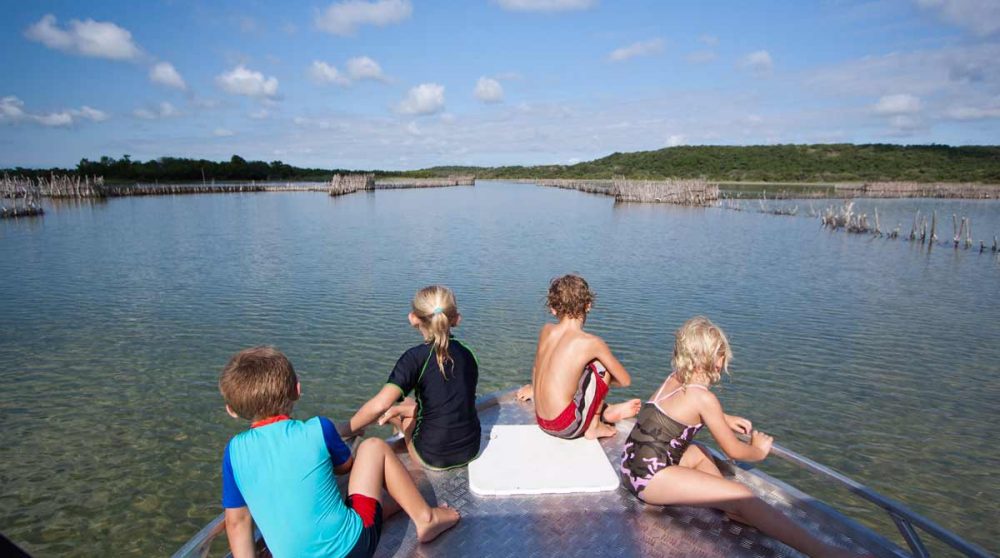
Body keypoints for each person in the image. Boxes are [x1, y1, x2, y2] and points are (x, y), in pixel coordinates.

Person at [619, 317, 856, 558]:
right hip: (649, 480)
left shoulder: (674, 379)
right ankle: (826, 552)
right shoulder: (703, 398)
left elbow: (676, 413)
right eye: (722, 355)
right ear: (716, 358)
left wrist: (723, 418)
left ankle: (726, 503)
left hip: (630, 467)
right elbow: (734, 451)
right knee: (745, 495)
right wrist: (758, 450)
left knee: (701, 451)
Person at [219, 346, 459, 558]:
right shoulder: (317, 429)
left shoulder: (233, 452)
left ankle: (394, 507)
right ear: (297, 390)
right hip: (353, 548)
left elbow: (237, 523)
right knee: (373, 448)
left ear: (232, 410)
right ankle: (426, 518)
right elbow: (346, 467)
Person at [346, 285, 481, 470]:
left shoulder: (414, 358)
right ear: (456, 319)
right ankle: (398, 415)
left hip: (432, 456)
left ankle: (398, 427)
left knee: (399, 411)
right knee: (405, 405)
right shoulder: (468, 353)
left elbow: (380, 404)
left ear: (413, 318)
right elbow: (451, 402)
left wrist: (344, 429)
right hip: (471, 449)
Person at [516, 274, 641, 439]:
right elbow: (625, 381)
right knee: (600, 367)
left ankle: (606, 411)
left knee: (566, 367)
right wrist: (603, 382)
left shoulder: (546, 330)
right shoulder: (592, 343)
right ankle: (595, 426)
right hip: (565, 426)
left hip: (542, 420)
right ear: (588, 305)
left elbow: (537, 367)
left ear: (553, 309)